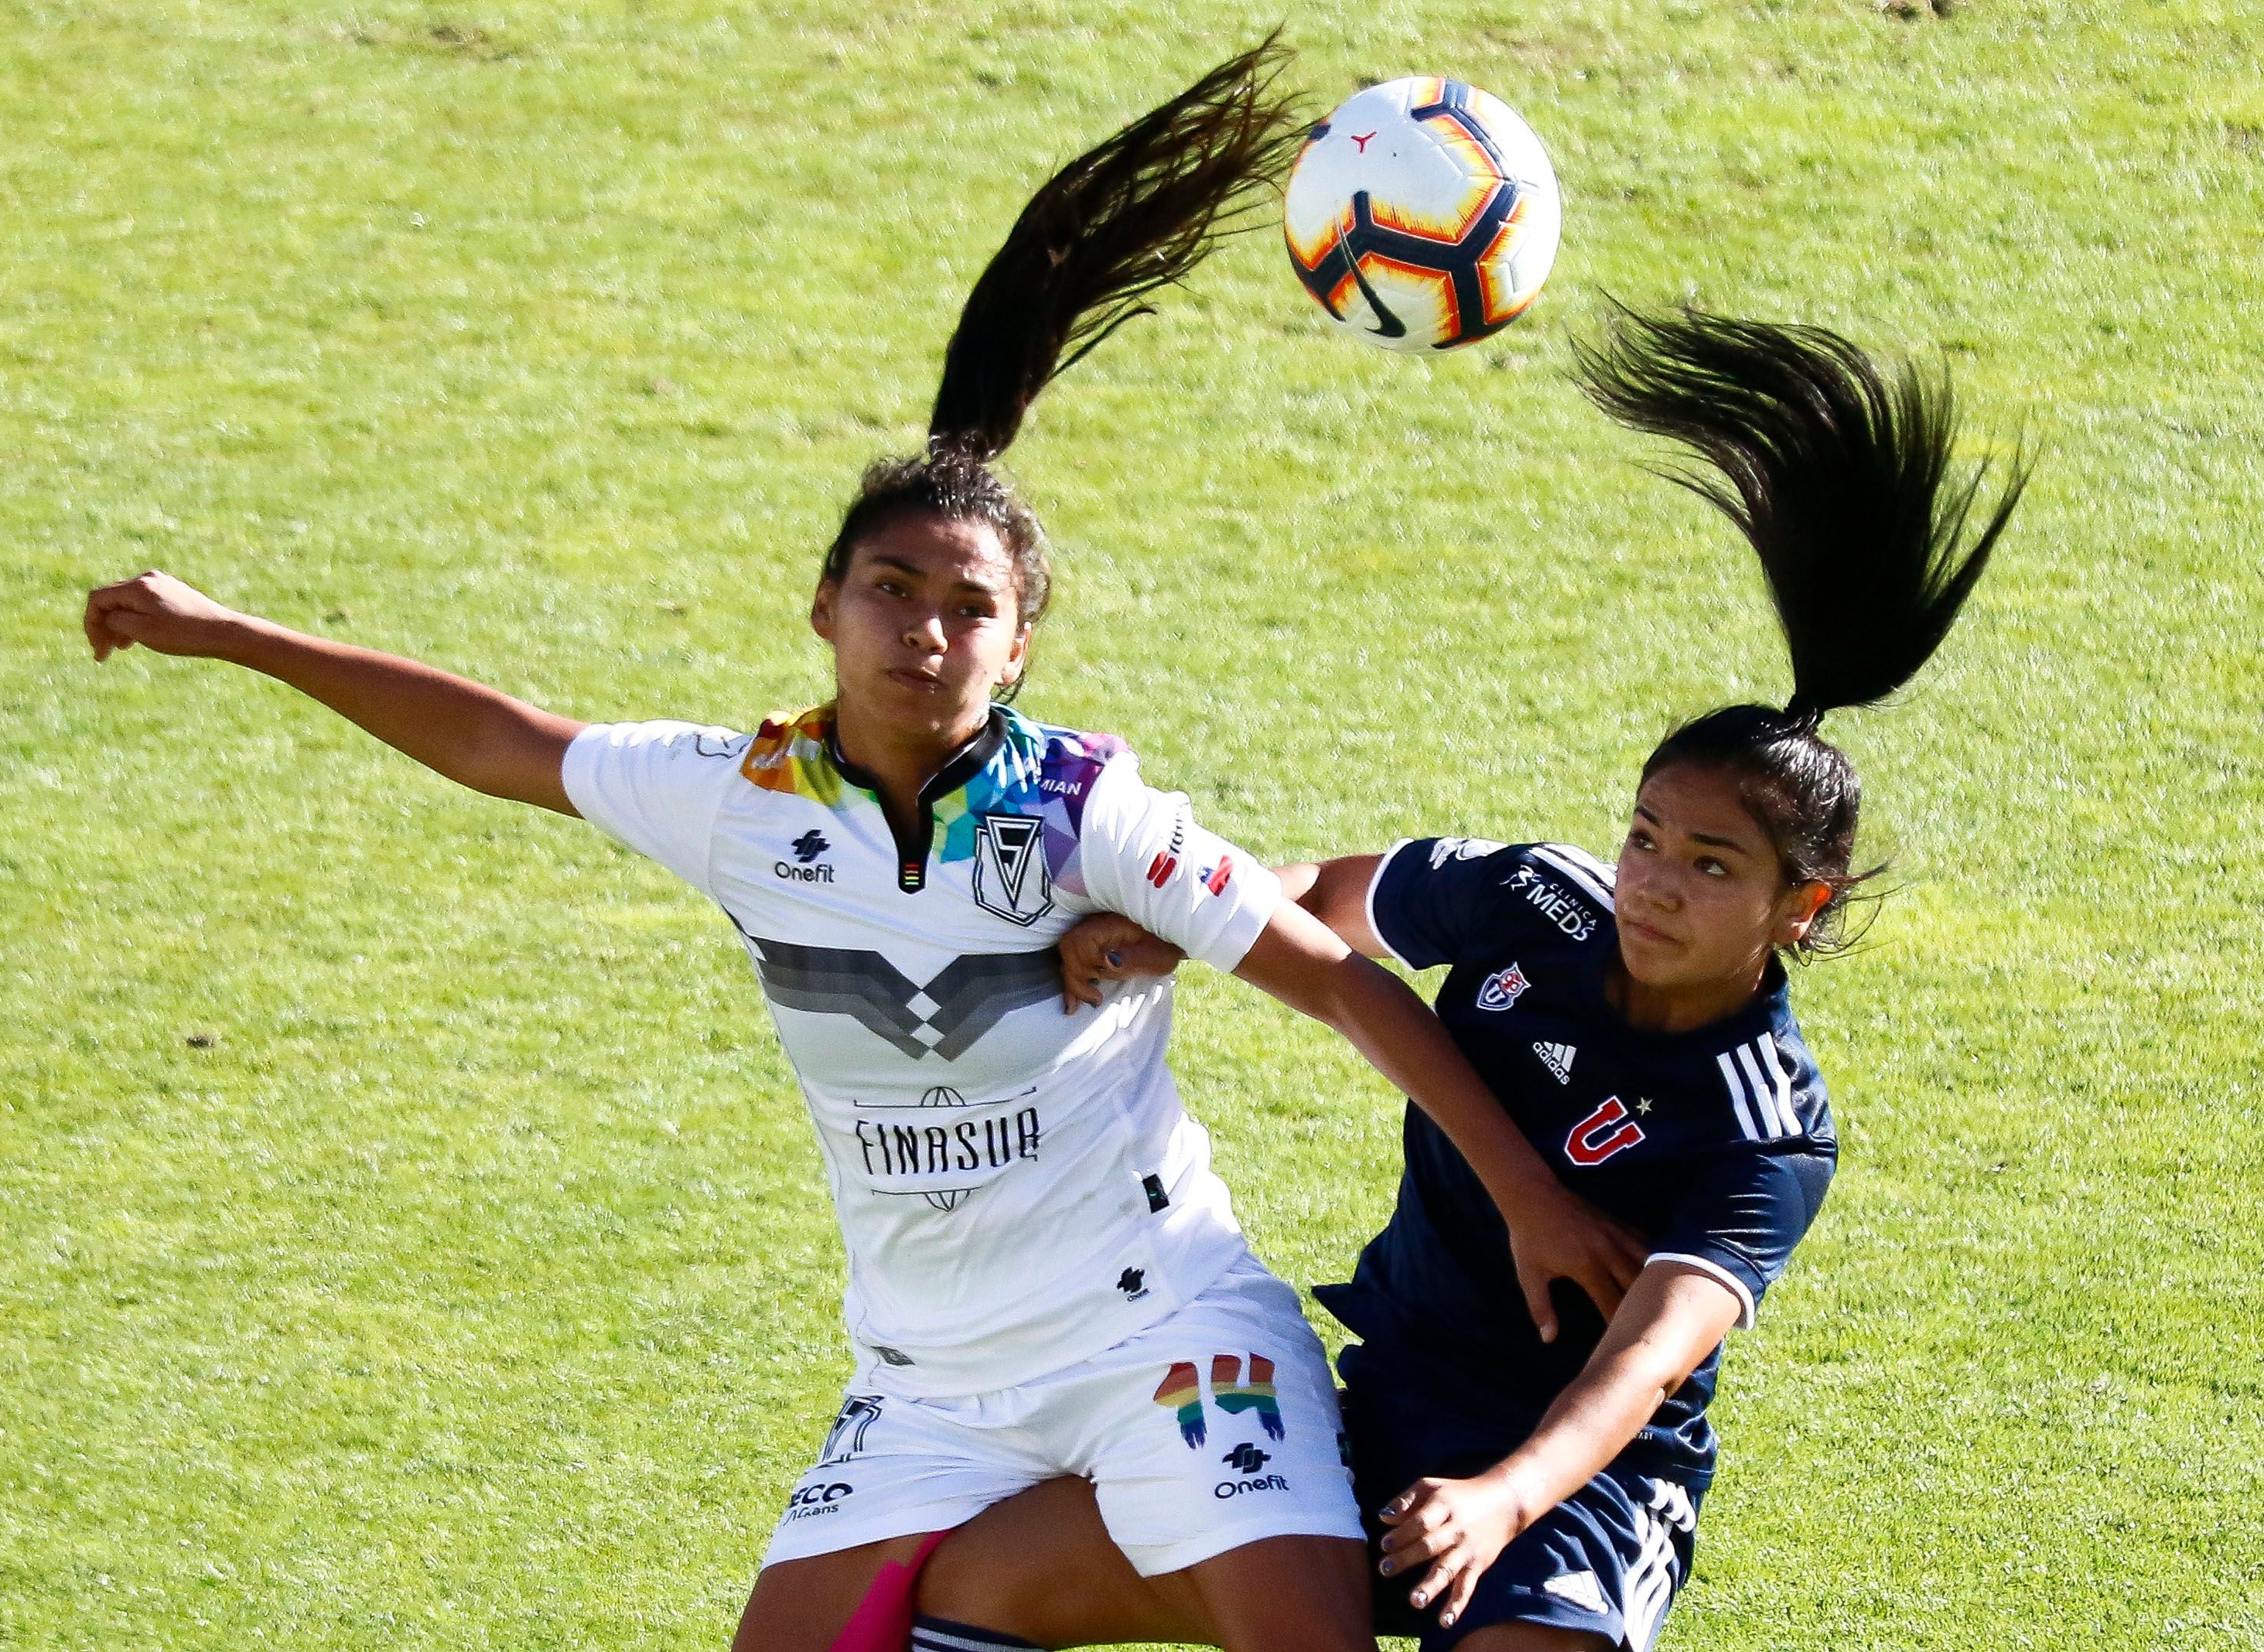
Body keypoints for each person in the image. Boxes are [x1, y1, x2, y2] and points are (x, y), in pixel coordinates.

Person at [79, 43, 1638, 1652]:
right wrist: (236, 633)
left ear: (1018, 651)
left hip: (1164, 1337)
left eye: (974, 610)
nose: (928, 632)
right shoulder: (741, 795)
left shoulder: (1086, 812)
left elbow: (1338, 982)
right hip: (927, 1387)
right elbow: (504, 740)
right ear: (824, 610)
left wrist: (1525, 1191)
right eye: (892, 592)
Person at [912, 307, 2027, 1651]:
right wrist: (1166, 932)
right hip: (1376, 1405)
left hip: (1580, 1484)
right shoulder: (1538, 898)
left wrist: (1500, 1500)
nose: (1656, 883)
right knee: (986, 1581)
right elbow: (1331, 898)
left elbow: (1643, 1362)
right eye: (1648, 837)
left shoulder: (1765, 1125)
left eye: (1713, 868)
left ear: (1804, 907)